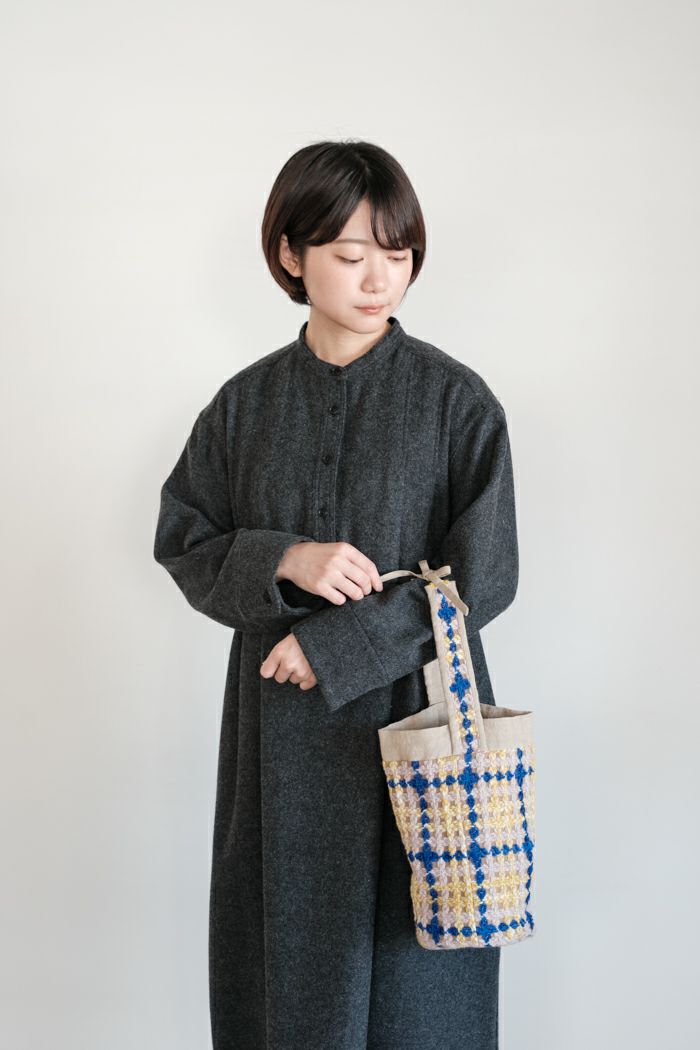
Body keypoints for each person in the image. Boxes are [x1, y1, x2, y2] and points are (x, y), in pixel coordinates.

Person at [153, 139, 519, 1050]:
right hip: (280, 747)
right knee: (288, 997)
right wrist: (286, 558)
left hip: (421, 734)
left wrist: (339, 645)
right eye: (351, 256)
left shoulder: (457, 403)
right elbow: (183, 537)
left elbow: (485, 573)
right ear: (292, 254)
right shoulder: (242, 406)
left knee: (418, 987)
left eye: (398, 255)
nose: (379, 280)